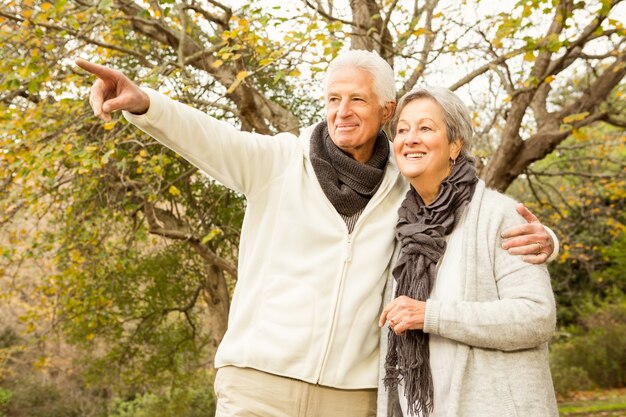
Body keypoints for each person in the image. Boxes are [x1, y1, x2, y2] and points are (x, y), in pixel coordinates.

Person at [76, 51, 557, 417]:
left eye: (357, 99)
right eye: (332, 99)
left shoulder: (402, 186)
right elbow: (208, 137)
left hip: (352, 395)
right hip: (259, 383)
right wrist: (146, 105)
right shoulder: (279, 162)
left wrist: (545, 241)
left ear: (385, 110)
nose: (342, 111)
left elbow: (463, 221)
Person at [377, 86, 558, 417]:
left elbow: (536, 316)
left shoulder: (497, 215)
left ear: (455, 145)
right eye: (402, 129)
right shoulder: (401, 226)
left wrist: (430, 315)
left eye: (426, 128)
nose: (410, 138)